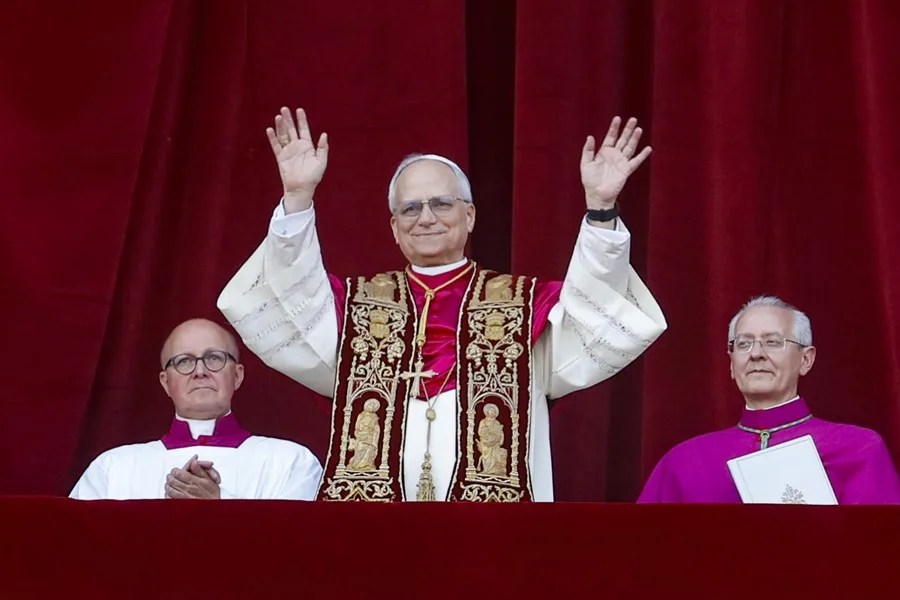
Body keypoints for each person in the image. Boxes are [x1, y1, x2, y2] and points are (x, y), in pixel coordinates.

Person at [217, 107, 667, 502]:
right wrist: (297, 200)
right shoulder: (353, 309)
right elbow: (291, 300)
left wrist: (601, 210)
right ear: (394, 228)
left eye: (441, 204)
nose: (426, 218)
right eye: (410, 208)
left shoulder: (524, 307)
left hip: (489, 533)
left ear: (469, 216)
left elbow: (594, 317)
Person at [638, 296, 900, 504]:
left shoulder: (858, 450)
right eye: (743, 344)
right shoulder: (684, 462)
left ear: (806, 359)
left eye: (773, 342)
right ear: (731, 364)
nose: (756, 354)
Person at [70, 318, 323, 500]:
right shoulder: (113, 468)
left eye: (214, 358)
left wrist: (219, 506)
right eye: (184, 361)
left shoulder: (291, 462)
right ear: (165, 382)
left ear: (237, 376)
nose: (200, 372)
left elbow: (297, 547)